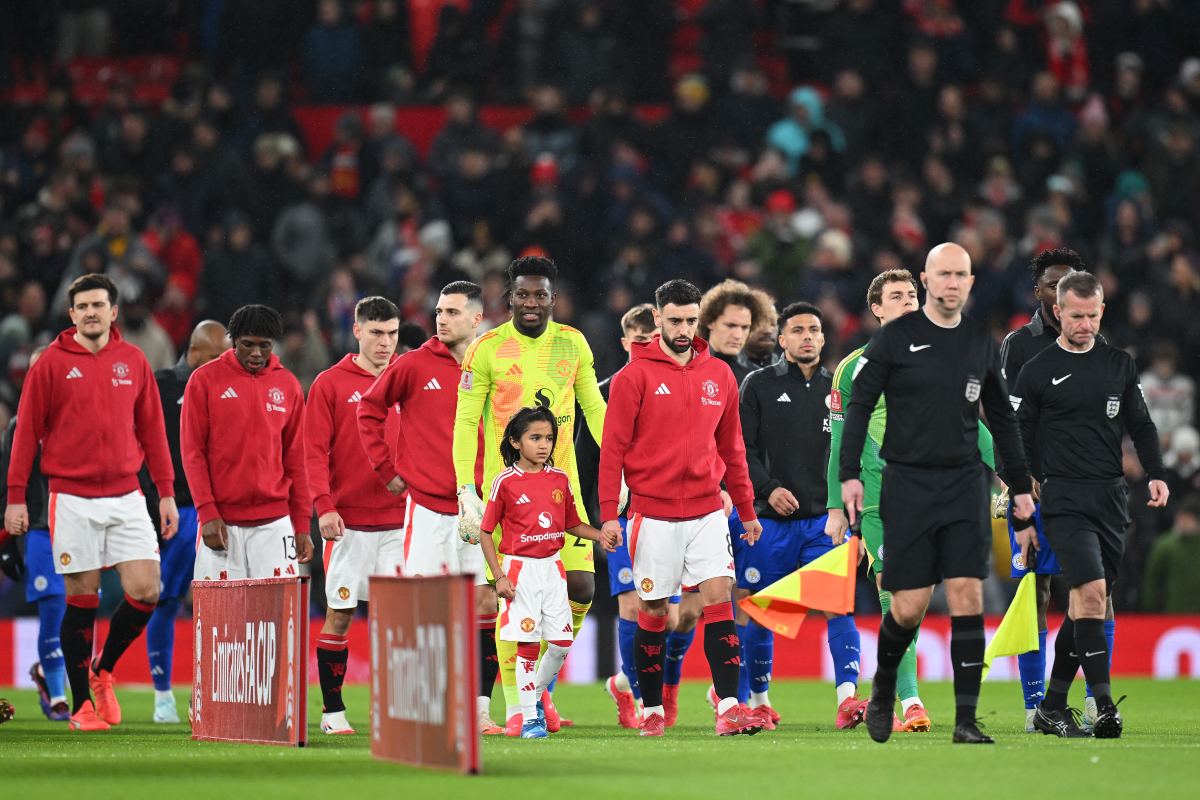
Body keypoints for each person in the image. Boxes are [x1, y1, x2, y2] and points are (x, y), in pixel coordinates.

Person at [839, 243, 1035, 745]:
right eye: (943, 274)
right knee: (907, 606)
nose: (952, 282)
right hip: (906, 485)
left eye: (961, 274)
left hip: (964, 483)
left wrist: (1019, 483)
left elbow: (1001, 419)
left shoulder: (979, 341)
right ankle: (885, 690)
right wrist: (848, 477)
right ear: (929, 280)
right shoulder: (893, 341)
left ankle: (965, 720)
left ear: (971, 283)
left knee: (967, 594)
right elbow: (858, 408)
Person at [5, 274, 178, 731]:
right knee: (81, 600)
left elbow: (154, 432)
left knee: (147, 589)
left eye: (98, 305)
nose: (91, 313)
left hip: (126, 493)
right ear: (72, 314)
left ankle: (103, 671)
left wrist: (165, 493)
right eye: (82, 307)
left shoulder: (134, 360)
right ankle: (82, 704)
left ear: (113, 312)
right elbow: (24, 436)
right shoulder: (51, 365)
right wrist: (16, 498)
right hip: (72, 496)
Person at [598, 279, 765, 738]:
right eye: (675, 320)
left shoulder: (720, 375)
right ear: (657, 319)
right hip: (651, 515)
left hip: (708, 511)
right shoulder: (634, 376)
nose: (684, 329)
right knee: (654, 611)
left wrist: (746, 509)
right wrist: (609, 514)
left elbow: (733, 448)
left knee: (718, 602)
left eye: (691, 320)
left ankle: (729, 706)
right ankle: (651, 708)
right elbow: (612, 450)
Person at [452, 256, 607, 735]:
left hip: (564, 489)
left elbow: (595, 409)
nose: (532, 302)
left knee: (580, 588)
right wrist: (465, 486)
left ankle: (540, 690)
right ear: (510, 298)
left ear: (553, 299)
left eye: (540, 295)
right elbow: (465, 420)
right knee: (512, 603)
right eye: (523, 294)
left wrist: (627, 470)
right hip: (509, 494)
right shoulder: (487, 348)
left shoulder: (573, 343)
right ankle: (521, 707)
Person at [1010, 271, 1168, 740]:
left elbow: (1141, 424)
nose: (1084, 324)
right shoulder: (1037, 369)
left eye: (1092, 315)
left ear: (1102, 311)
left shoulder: (1119, 364)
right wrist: (1022, 486)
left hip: (1111, 498)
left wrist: (1155, 472)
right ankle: (1103, 706)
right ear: (1058, 312)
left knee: (1085, 606)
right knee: (1094, 596)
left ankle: (1052, 706)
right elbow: (1015, 435)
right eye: (1075, 316)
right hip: (1062, 499)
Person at [357, 282, 502, 736]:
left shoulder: (495, 364)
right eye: (439, 311)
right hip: (427, 507)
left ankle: (479, 711)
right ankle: (425, 708)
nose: (442, 319)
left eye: (453, 312)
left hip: (481, 509)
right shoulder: (414, 364)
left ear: (476, 319)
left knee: (486, 603)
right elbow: (369, 409)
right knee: (426, 608)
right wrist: (387, 470)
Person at [734, 301, 861, 731]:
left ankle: (847, 701)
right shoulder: (757, 385)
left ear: (824, 338)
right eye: (797, 330)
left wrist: (843, 508)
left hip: (824, 523)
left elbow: (851, 453)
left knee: (838, 610)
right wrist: (769, 488)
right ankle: (759, 701)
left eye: (814, 330)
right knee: (758, 611)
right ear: (782, 339)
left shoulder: (840, 390)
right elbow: (739, 451)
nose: (807, 336)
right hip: (767, 522)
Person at [996, 248, 1099, 731]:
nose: (1062, 298)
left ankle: (1095, 697)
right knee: (1032, 592)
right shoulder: (1017, 346)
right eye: (1053, 288)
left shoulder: (1095, 341)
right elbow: (1002, 418)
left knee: (1093, 590)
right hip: (1031, 488)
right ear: (1039, 293)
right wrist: (1016, 479)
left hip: (1084, 486)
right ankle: (1034, 704)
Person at [478, 406, 617, 739]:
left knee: (561, 644)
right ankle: (529, 719)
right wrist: (499, 577)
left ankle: (535, 697)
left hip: (553, 569)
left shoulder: (560, 479)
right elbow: (485, 532)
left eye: (549, 438)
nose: (544, 445)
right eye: (535, 438)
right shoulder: (505, 483)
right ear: (514, 442)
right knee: (526, 646)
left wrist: (600, 535)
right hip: (520, 570)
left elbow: (572, 524)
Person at [574, 303, 678, 728]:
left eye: (650, 338)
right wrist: (593, 520)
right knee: (633, 608)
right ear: (624, 342)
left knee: (668, 618)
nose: (643, 345)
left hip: (669, 515)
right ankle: (638, 699)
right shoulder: (600, 393)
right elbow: (584, 457)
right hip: (621, 517)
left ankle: (622, 681)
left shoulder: (676, 387)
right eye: (636, 339)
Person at [307, 297, 404, 736]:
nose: (385, 342)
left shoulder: (409, 378)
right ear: (358, 331)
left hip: (403, 521)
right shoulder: (330, 383)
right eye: (377, 332)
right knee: (341, 614)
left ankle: (394, 711)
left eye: (392, 333)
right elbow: (311, 451)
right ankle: (332, 713)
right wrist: (323, 506)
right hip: (348, 521)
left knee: (399, 620)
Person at [183, 305, 313, 584]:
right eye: (248, 345)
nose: (256, 353)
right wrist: (206, 513)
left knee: (276, 625)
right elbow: (193, 453)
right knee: (221, 624)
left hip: (275, 525)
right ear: (234, 340)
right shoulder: (204, 381)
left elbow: (297, 461)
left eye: (264, 346)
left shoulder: (288, 385)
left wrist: (301, 524)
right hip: (222, 523)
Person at [141, 320, 230, 724]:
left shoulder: (225, 386)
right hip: (174, 509)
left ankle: (214, 692)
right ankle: (162, 695)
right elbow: (139, 444)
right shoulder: (159, 386)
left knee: (221, 604)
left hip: (217, 508)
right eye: (216, 356)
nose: (223, 363)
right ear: (194, 352)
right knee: (165, 600)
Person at [0, 346, 68, 720]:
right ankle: (57, 695)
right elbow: (6, 484)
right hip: (41, 529)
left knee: (79, 614)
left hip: (80, 527)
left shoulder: (80, 417)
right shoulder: (18, 426)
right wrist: (7, 542)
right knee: (54, 609)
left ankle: (46, 672)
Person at [697, 279, 771, 386]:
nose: (738, 335)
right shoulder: (684, 368)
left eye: (745, 327)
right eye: (730, 325)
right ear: (710, 322)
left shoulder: (758, 380)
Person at [1141, 495, 1200, 613]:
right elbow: (1152, 579)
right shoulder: (1165, 545)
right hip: (1173, 610)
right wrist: (1150, 606)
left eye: (1187, 518)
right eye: (1181, 517)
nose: (1183, 522)